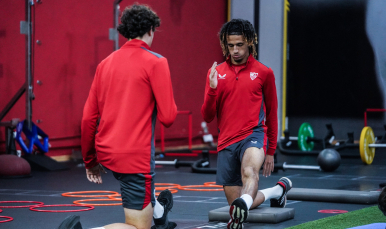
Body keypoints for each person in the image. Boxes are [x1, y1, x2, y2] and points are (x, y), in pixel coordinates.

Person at [58, 4, 177, 229]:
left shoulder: (105, 63)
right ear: (151, 29)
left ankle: (160, 213)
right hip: (134, 159)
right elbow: (168, 118)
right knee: (137, 227)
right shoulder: (157, 61)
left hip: (107, 154)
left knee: (144, 190)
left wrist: (90, 160)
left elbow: (88, 119)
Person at [201, 19, 292, 229]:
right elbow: (207, 117)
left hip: (253, 135)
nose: (235, 50)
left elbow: (272, 113)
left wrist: (270, 151)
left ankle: (238, 219)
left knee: (250, 172)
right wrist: (212, 88)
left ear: (250, 42)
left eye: (240, 45)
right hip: (226, 141)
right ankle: (276, 192)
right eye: (231, 45)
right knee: (238, 204)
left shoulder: (264, 72)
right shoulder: (215, 73)